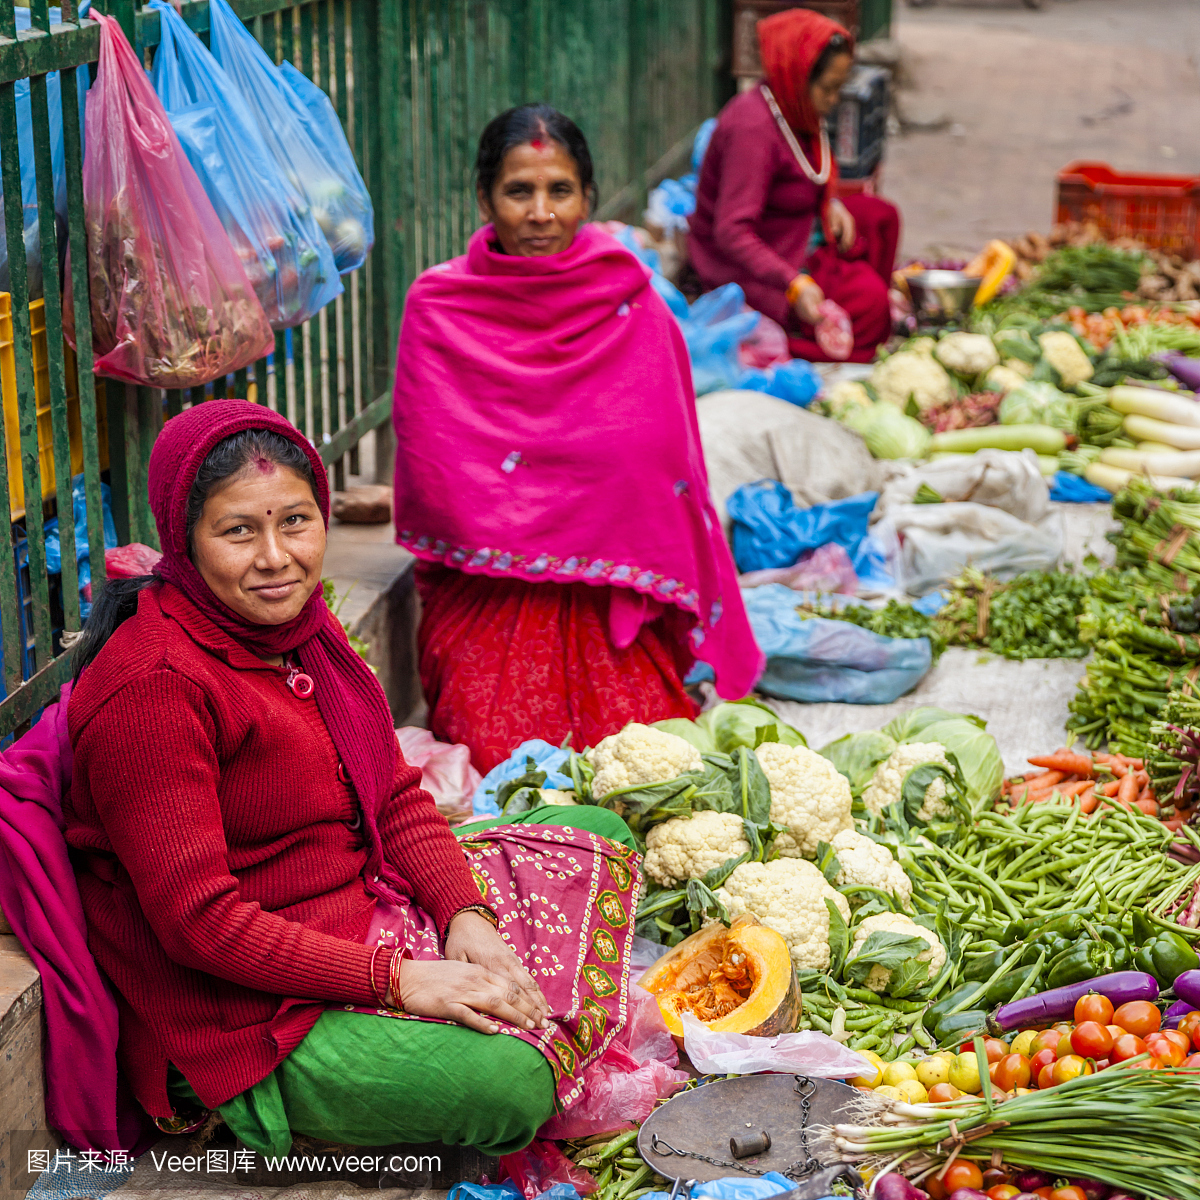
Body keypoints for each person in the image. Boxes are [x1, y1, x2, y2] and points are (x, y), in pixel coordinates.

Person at [64, 398, 645, 1157]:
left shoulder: (299, 625)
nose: (277, 556)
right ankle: (280, 1108)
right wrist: (402, 981)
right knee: (510, 1087)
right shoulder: (154, 687)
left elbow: (394, 796)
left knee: (595, 833)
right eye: (239, 530)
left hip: (356, 902)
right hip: (246, 1008)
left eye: (296, 522)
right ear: (186, 540)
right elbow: (200, 925)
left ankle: (498, 998)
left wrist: (463, 914)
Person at [392, 104, 761, 773]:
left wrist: (580, 505)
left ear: (587, 198)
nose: (540, 214)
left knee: (643, 761)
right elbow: (437, 475)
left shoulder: (633, 301)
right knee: (500, 758)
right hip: (490, 593)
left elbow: (663, 467)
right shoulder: (439, 307)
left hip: (608, 597)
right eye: (518, 192)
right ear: (484, 199)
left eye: (559, 191)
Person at [687, 9, 901, 364]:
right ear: (797, 76)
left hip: (798, 228)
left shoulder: (794, 109)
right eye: (828, 90)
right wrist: (793, 283)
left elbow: (808, 173)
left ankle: (843, 313)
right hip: (758, 260)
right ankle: (799, 340)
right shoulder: (752, 130)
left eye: (839, 88)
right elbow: (731, 232)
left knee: (881, 217)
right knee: (871, 302)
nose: (834, 102)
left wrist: (830, 204)